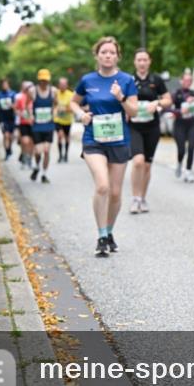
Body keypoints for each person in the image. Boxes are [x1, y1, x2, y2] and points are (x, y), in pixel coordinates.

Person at [70, 36, 138, 257]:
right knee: (102, 186)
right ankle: (100, 236)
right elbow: (73, 102)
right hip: (94, 140)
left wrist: (120, 98)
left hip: (119, 140)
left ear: (117, 56)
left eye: (112, 52)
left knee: (116, 194)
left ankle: (109, 231)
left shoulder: (126, 80)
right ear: (97, 56)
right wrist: (81, 114)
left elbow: (134, 112)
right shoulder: (87, 80)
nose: (108, 56)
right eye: (104, 52)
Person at [128, 48, 172, 212]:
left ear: (149, 61)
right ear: (134, 62)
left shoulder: (156, 79)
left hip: (152, 127)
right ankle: (134, 198)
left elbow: (168, 100)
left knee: (147, 165)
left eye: (144, 60)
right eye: (139, 60)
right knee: (138, 161)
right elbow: (121, 99)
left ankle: (142, 198)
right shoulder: (129, 80)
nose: (142, 63)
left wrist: (158, 103)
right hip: (134, 126)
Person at [171, 70, 194, 182]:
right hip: (179, 124)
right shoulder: (176, 93)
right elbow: (167, 108)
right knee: (182, 150)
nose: (188, 82)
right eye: (186, 80)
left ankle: (188, 172)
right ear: (181, 81)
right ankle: (179, 163)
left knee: (192, 147)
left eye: (190, 80)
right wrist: (179, 111)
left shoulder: (193, 93)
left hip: (192, 124)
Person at [31, 69, 56, 183]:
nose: (44, 83)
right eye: (42, 80)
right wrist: (30, 115)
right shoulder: (33, 91)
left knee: (46, 150)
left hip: (49, 125)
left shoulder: (53, 91)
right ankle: (36, 166)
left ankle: (44, 174)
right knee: (38, 151)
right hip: (37, 126)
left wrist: (54, 112)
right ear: (39, 80)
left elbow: (56, 103)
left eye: (46, 80)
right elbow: (27, 105)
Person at [14, 81, 35, 170]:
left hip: (34, 124)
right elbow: (15, 109)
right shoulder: (20, 98)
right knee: (25, 141)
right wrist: (21, 114)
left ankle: (29, 159)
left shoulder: (35, 98)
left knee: (31, 143)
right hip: (23, 123)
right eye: (27, 89)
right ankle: (24, 158)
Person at [54, 77, 75, 163]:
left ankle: (66, 155)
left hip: (67, 120)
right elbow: (53, 105)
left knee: (67, 138)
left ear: (67, 85)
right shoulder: (55, 93)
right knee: (60, 135)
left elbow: (73, 108)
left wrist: (65, 109)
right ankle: (60, 156)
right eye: (61, 84)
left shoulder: (71, 94)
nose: (62, 86)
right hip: (58, 119)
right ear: (58, 85)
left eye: (64, 84)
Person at [0, 78, 18, 160]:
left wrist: (13, 106)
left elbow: (17, 106)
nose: (4, 86)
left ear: (8, 84)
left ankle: (9, 148)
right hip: (3, 118)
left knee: (11, 137)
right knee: (6, 135)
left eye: (5, 84)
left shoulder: (13, 94)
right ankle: (7, 152)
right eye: (2, 84)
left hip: (12, 118)